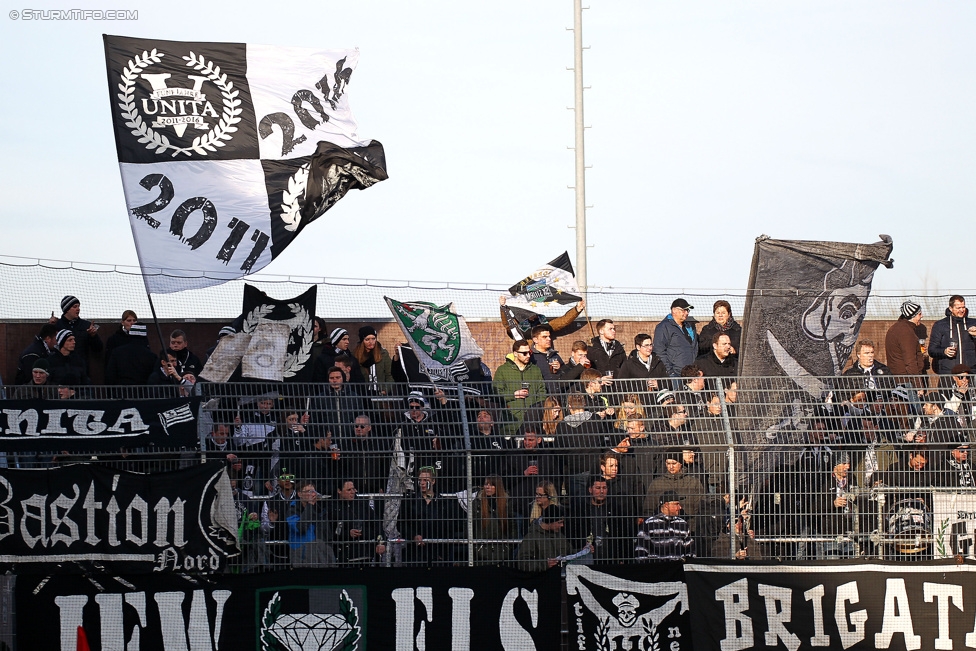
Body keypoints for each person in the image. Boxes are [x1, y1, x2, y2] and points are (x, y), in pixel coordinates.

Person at [400, 467, 464, 566]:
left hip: (439, 552)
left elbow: (453, 526)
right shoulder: (410, 501)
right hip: (416, 553)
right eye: (420, 480)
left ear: (433, 481)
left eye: (426, 480)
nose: (422, 483)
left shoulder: (444, 503)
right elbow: (401, 523)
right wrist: (413, 535)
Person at [493, 339, 548, 435]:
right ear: (515, 353)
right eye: (524, 353)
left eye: (529, 352)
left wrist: (537, 410)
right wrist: (513, 395)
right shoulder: (503, 370)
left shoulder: (535, 370)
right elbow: (495, 393)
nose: (528, 356)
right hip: (511, 422)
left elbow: (542, 391)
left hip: (532, 422)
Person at [516, 481, 569, 571]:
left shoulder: (560, 512)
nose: (537, 497)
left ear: (549, 496)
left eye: (541, 495)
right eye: (536, 494)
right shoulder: (529, 510)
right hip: (538, 551)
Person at [283, 481, 336, 568]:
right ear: (299, 494)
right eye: (308, 491)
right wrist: (310, 505)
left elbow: (327, 533)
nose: (312, 494)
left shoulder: (320, 509)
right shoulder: (292, 510)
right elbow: (300, 528)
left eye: (313, 491)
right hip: (302, 555)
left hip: (322, 553)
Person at [331, 480, 385, 565]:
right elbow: (331, 532)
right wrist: (348, 534)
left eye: (354, 489)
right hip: (344, 554)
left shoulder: (362, 504)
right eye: (349, 490)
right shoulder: (333, 508)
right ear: (339, 491)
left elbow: (376, 523)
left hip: (366, 553)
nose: (352, 492)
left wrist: (381, 542)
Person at [634, 490, 695, 561]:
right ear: (666, 505)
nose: (680, 507)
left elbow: (691, 549)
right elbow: (640, 551)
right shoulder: (649, 524)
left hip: (678, 569)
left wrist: (686, 564)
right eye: (676, 504)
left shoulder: (682, 524)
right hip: (657, 569)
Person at [52, 295, 103, 374]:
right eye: (74, 306)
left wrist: (93, 336)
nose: (78, 309)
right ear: (67, 309)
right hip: (61, 369)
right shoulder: (57, 325)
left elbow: (98, 349)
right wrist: (49, 326)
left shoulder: (86, 325)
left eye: (78, 306)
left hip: (81, 370)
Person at [929, 295, 976, 380]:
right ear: (951, 308)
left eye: (963, 307)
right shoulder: (940, 325)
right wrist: (944, 351)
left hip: (971, 372)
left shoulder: (973, 323)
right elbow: (932, 350)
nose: (962, 310)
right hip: (948, 373)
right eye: (958, 308)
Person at [472, 475, 516, 564]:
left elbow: (512, 525)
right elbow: (469, 524)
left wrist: (510, 546)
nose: (487, 487)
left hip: (503, 550)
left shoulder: (507, 503)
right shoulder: (476, 503)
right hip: (481, 550)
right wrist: (475, 546)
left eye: (491, 484)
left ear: (498, 487)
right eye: (485, 484)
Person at [885, 301, 927, 389]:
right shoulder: (906, 332)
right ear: (913, 316)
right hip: (907, 382)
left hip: (898, 380)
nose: (922, 316)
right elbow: (910, 361)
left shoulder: (896, 328)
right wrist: (918, 385)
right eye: (919, 314)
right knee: (913, 403)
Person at [653, 299, 699, 378]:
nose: (686, 313)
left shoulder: (690, 327)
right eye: (683, 310)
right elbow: (659, 350)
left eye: (687, 310)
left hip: (692, 373)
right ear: (674, 310)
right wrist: (670, 371)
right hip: (675, 374)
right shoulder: (664, 327)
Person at [105, 323, 156, 389]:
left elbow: (110, 375)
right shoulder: (151, 356)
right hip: (143, 394)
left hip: (121, 393)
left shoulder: (117, 352)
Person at [616, 333, 668, 398]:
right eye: (646, 345)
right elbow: (621, 385)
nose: (649, 348)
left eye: (651, 345)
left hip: (656, 402)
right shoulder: (629, 364)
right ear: (638, 347)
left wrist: (658, 384)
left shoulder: (658, 362)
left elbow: (668, 382)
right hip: (637, 403)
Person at [353, 326, 394, 394]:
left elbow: (390, 374)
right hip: (364, 394)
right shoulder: (355, 355)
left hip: (381, 394)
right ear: (362, 341)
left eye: (373, 338)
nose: (371, 342)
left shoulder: (383, 353)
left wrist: (385, 390)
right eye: (367, 339)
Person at [529, 324, 564, 392]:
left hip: (557, 394)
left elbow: (565, 374)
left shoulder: (555, 355)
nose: (549, 339)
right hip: (540, 396)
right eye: (544, 337)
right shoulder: (530, 356)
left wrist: (560, 368)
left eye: (549, 336)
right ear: (535, 340)